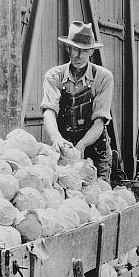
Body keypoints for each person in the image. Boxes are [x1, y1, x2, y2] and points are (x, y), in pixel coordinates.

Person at [41, 21, 114, 181]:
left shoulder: (103, 77)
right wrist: (56, 138)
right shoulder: (54, 76)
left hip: (95, 151)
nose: (79, 56)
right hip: (64, 150)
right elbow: (49, 111)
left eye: (84, 51)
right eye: (75, 49)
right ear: (68, 48)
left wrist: (81, 146)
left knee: (97, 198)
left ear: (91, 52)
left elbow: (100, 121)